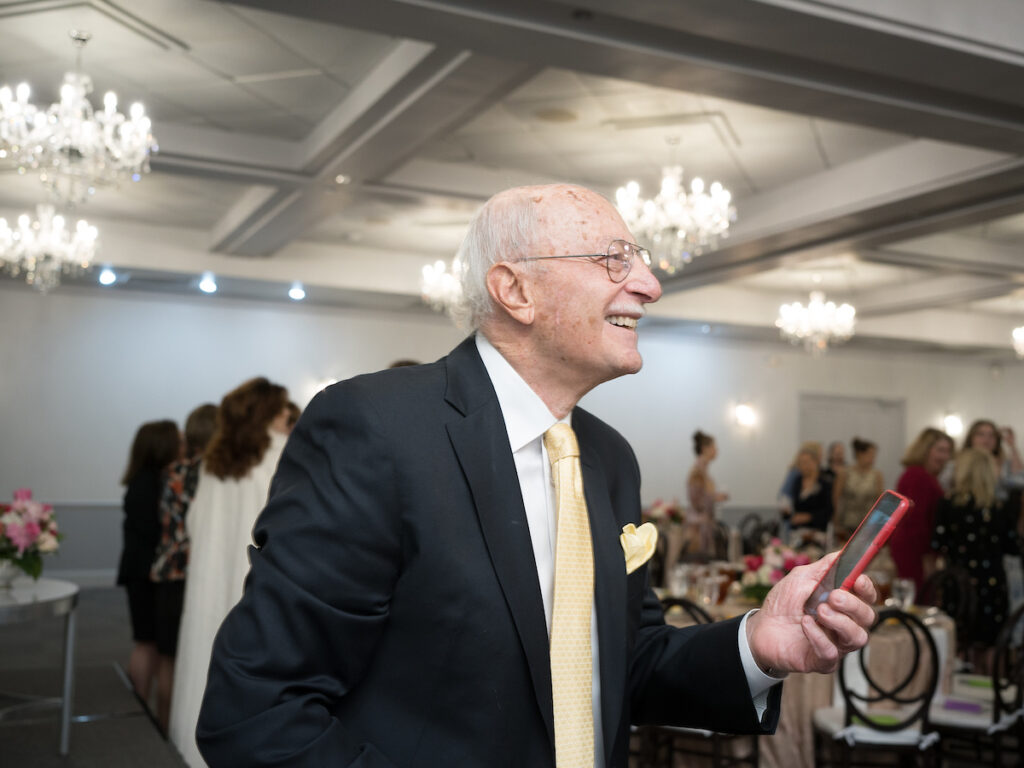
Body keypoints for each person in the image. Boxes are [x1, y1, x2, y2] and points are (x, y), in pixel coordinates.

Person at [196, 184, 875, 768]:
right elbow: (258, 708)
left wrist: (757, 645)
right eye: (615, 258)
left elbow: (626, 665)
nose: (649, 284)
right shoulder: (377, 429)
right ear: (515, 290)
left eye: (640, 258)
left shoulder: (609, 457)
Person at [169, 378, 290, 767]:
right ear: (267, 413)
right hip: (256, 581)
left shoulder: (215, 463)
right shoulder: (281, 457)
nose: (287, 415)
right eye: (281, 408)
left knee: (204, 657)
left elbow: (193, 524)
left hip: (210, 579)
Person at [149, 403, 219, 735]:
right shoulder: (218, 475)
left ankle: (166, 728)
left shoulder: (173, 471)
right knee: (196, 655)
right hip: (197, 573)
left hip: (168, 573)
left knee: (168, 658)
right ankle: (189, 729)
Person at [932, 448, 1022, 659]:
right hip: (991, 583)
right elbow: (1013, 547)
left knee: (959, 642)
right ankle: (986, 679)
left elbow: (938, 543)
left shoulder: (948, 504)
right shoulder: (999, 508)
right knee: (990, 643)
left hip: (958, 583)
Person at [116, 419, 181, 706]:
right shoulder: (150, 484)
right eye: (177, 441)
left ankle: (140, 705)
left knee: (148, 642)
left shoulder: (142, 481)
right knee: (147, 643)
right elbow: (156, 533)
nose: (182, 446)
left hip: (139, 571)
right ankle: (139, 706)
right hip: (146, 574)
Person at [890, 427, 953, 591]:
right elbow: (915, 522)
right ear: (925, 449)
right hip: (913, 550)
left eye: (948, 451)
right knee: (917, 594)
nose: (945, 457)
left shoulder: (922, 475)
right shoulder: (918, 476)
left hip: (913, 547)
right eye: (940, 450)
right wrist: (927, 557)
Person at [685, 430, 729, 556]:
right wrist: (714, 498)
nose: (716, 451)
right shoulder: (697, 470)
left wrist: (714, 497)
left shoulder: (703, 470)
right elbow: (695, 500)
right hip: (698, 528)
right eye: (714, 447)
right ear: (705, 449)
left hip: (704, 525)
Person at [833, 438, 884, 540]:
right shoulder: (844, 473)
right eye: (870, 455)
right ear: (860, 455)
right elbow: (836, 498)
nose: (873, 459)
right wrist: (836, 520)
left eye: (874, 456)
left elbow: (880, 500)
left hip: (868, 524)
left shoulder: (877, 475)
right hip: (847, 522)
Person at [790, 447, 833, 534]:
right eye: (800, 463)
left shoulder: (824, 483)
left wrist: (808, 517)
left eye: (806, 462)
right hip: (798, 532)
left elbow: (829, 511)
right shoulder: (797, 481)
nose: (803, 466)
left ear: (815, 462)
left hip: (817, 531)